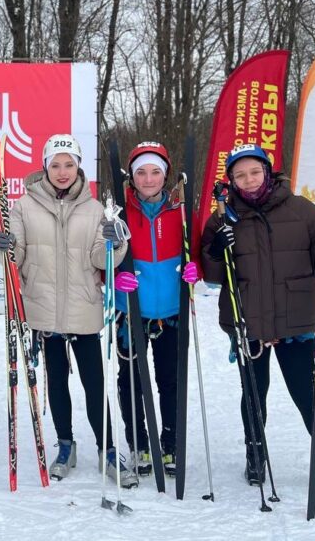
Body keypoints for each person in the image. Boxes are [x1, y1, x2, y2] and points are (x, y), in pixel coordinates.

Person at [200, 144, 315, 501]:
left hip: (297, 321)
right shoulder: (222, 216)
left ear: (268, 171)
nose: (248, 180)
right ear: (231, 180)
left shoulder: (301, 209)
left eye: (254, 172)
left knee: (307, 395)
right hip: (249, 321)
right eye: (240, 175)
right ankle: (255, 451)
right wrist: (215, 250)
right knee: (254, 395)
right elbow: (213, 276)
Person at [0, 134, 137, 488]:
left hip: (83, 309)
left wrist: (115, 243)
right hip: (43, 312)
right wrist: (6, 248)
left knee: (94, 385)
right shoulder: (24, 207)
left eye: (69, 164)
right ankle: (65, 446)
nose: (62, 172)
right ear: (45, 167)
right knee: (56, 383)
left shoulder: (94, 210)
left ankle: (107, 449)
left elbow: (98, 259)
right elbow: (17, 258)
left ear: (79, 168)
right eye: (56, 165)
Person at [112, 142, 198, 478]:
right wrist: (114, 275)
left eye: (155, 172)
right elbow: (102, 256)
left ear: (166, 175)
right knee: (131, 380)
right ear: (132, 178)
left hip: (171, 312)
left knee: (170, 381)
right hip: (130, 312)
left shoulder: (181, 213)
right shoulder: (119, 213)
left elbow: (199, 254)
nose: (149, 179)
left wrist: (195, 272)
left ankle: (172, 445)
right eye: (141, 172)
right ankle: (140, 445)